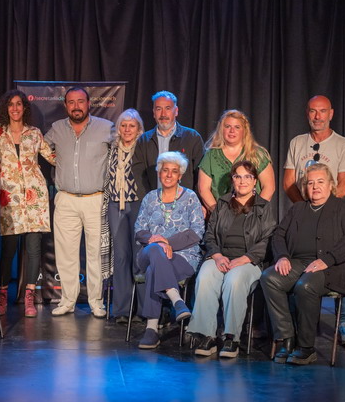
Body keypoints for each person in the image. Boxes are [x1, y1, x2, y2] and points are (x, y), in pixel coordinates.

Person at [261, 164, 345, 365]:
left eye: (320, 182)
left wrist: (327, 260)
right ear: (304, 187)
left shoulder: (344, 208)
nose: (315, 186)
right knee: (269, 278)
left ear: (331, 184)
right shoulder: (297, 209)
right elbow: (279, 234)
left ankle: (306, 347)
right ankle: (287, 338)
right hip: (298, 263)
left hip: (332, 268)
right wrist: (282, 256)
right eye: (310, 183)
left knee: (305, 286)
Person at [282, 95, 345, 347]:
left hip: (333, 217)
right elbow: (289, 183)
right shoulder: (297, 142)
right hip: (305, 214)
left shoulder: (344, 144)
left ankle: (344, 322)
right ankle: (298, 323)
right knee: (297, 265)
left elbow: (344, 186)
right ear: (307, 113)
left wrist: (323, 208)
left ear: (331, 113)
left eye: (323, 111)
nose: (318, 116)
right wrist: (306, 209)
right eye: (313, 111)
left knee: (339, 262)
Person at [187, 160, 276, 358]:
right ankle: (208, 336)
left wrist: (246, 258)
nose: (242, 181)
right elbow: (209, 235)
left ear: (255, 181)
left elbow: (269, 239)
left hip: (249, 261)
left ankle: (231, 337)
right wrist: (217, 256)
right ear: (232, 180)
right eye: (238, 176)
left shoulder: (264, 207)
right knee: (205, 276)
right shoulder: (223, 204)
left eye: (247, 177)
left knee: (234, 280)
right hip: (221, 256)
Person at [44, 87, 114, 318]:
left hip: (96, 199)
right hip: (66, 199)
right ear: (66, 105)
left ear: (88, 103)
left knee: (95, 254)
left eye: (80, 101)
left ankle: (96, 302)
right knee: (66, 254)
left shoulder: (106, 127)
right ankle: (67, 301)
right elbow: (38, 148)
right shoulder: (56, 129)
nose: (76, 106)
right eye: (71, 102)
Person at [0, 91, 54, 318]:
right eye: (11, 104)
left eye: (19, 104)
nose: (15, 108)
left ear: (24, 107)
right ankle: (3, 293)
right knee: (8, 250)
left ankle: (29, 296)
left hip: (35, 198)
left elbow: (52, 157)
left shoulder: (34, 133)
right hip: (10, 199)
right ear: (6, 108)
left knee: (34, 249)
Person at [133, 151, 205, 350]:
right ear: (159, 172)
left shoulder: (190, 198)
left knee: (153, 270)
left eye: (174, 171)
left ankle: (151, 328)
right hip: (148, 253)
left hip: (183, 257)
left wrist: (168, 242)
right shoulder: (150, 198)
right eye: (165, 170)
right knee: (155, 250)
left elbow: (197, 232)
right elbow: (139, 230)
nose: (169, 175)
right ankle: (176, 299)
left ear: (180, 175)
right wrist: (157, 243)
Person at [104, 108, 147, 323]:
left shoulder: (143, 148)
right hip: (116, 205)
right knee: (121, 256)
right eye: (124, 125)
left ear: (139, 129)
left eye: (132, 125)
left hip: (138, 204)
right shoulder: (112, 149)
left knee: (140, 256)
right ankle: (121, 309)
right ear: (118, 128)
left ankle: (143, 310)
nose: (127, 129)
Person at [198, 109, 275, 215]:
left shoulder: (257, 154)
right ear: (221, 129)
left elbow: (269, 187)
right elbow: (203, 189)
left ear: (244, 130)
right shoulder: (210, 155)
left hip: (253, 216)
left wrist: (255, 212)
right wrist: (219, 214)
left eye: (237, 127)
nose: (232, 131)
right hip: (221, 216)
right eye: (227, 126)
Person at [133, 91, 204, 195]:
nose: (163, 114)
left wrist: (193, 200)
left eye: (167, 108)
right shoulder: (144, 140)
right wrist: (147, 199)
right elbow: (139, 175)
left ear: (176, 111)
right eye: (158, 109)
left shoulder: (192, 137)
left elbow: (200, 175)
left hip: (184, 202)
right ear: (154, 113)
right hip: (153, 202)